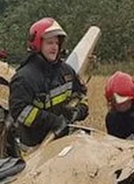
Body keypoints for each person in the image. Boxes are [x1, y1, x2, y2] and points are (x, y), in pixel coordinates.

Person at [9, 18, 88, 148]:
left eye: (57, 43)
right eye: (49, 42)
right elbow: (20, 111)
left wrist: (79, 111)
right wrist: (53, 121)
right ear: (37, 45)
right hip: (34, 146)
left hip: (63, 141)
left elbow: (81, 95)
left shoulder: (66, 72)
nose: (54, 47)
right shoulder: (24, 77)